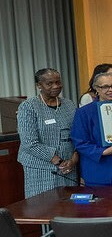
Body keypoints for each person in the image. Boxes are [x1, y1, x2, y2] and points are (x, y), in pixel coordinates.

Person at [17, 69, 79, 198]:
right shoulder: (28, 107)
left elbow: (78, 135)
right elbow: (29, 143)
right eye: (49, 83)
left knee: (69, 207)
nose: (55, 86)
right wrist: (58, 161)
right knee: (43, 207)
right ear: (39, 85)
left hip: (69, 167)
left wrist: (73, 159)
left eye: (58, 82)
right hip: (40, 168)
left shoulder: (69, 105)